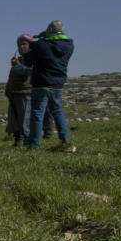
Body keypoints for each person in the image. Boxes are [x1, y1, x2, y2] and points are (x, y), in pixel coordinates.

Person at [22, 20, 74, 151]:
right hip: (58, 82)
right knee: (56, 109)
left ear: (50, 28)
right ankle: (64, 137)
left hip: (42, 82)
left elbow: (28, 61)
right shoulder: (69, 45)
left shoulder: (42, 45)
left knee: (37, 113)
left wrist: (36, 42)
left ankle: (34, 144)